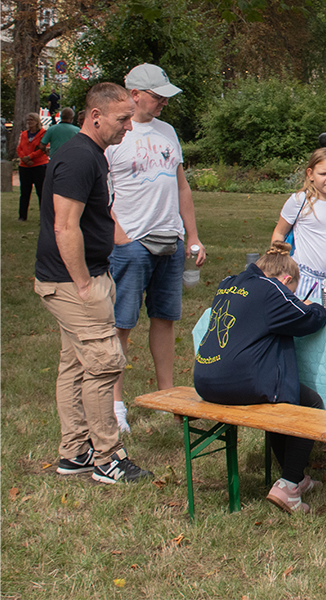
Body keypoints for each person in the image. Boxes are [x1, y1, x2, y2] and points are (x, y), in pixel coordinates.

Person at [34, 82, 152, 484]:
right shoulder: (79, 158)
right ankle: (108, 458)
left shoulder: (92, 155)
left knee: (74, 364)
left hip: (81, 277)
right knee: (103, 364)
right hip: (73, 283)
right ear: (95, 116)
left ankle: (74, 453)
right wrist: (84, 284)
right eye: (123, 119)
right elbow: (65, 226)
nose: (129, 127)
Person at [106, 63, 206, 433]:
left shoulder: (168, 132)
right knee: (122, 323)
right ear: (134, 94)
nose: (163, 102)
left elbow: (181, 186)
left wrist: (191, 235)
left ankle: (166, 397)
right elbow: (101, 192)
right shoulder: (115, 135)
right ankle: (115, 403)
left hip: (170, 241)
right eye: (157, 95)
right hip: (131, 244)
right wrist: (120, 236)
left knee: (165, 319)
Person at [193, 242, 326, 514]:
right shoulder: (271, 289)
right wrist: (315, 306)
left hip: (205, 379)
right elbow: (308, 319)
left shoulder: (228, 283)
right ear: (285, 281)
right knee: (309, 404)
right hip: (238, 381)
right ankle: (289, 485)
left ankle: (295, 476)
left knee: (279, 400)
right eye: (292, 292)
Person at [270, 147, 326, 304]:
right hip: (307, 279)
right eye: (323, 174)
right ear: (310, 174)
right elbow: (279, 232)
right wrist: (279, 265)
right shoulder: (300, 200)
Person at [16, 112, 49, 222]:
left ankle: (44, 217)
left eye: (31, 120)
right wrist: (24, 158)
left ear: (37, 121)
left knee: (41, 191)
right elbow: (19, 148)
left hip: (39, 165)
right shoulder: (24, 134)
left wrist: (30, 157)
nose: (29, 122)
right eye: (28, 120)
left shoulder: (43, 133)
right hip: (25, 166)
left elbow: (42, 149)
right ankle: (22, 216)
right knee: (24, 192)